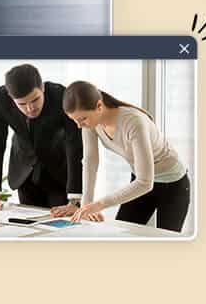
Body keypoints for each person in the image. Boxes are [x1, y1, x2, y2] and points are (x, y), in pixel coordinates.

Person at [62, 80, 190, 232]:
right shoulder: (90, 123)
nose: (79, 125)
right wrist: (86, 206)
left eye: (82, 119)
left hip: (172, 185)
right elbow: (90, 162)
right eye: (74, 120)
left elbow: (145, 183)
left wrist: (100, 204)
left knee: (168, 244)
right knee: (122, 235)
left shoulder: (134, 122)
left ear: (99, 106)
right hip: (139, 180)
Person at [0, 64, 83, 214]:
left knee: (60, 226)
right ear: (12, 99)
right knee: (30, 226)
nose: (30, 108)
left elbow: (74, 145)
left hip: (59, 174)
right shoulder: (1, 98)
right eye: (22, 104)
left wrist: (74, 201)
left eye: (35, 100)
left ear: (42, 88)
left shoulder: (61, 96)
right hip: (24, 174)